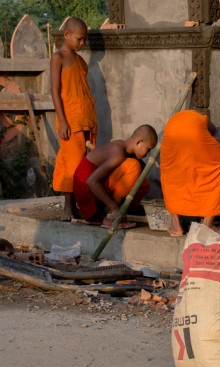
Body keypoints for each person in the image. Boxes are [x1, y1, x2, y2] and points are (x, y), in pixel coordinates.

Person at [160, 110, 220, 236]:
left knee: (172, 177)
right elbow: (216, 137)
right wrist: (214, 150)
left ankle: (176, 227)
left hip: (170, 136)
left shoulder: (182, 118)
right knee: (219, 172)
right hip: (195, 135)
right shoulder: (203, 120)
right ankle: (207, 225)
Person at [50, 17, 98, 221]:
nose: (82, 43)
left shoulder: (80, 61)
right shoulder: (58, 57)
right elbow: (55, 90)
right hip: (70, 122)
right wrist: (62, 121)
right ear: (66, 35)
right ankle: (67, 207)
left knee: (82, 165)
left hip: (85, 119)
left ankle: (77, 206)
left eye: (84, 40)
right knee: (71, 165)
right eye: (79, 39)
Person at [72, 125, 158, 228]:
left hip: (93, 186)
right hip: (85, 188)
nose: (148, 154)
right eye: (148, 149)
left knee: (143, 182)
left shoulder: (124, 148)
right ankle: (111, 212)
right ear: (139, 142)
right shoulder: (118, 153)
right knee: (133, 166)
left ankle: (123, 209)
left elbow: (143, 170)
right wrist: (113, 207)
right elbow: (91, 181)